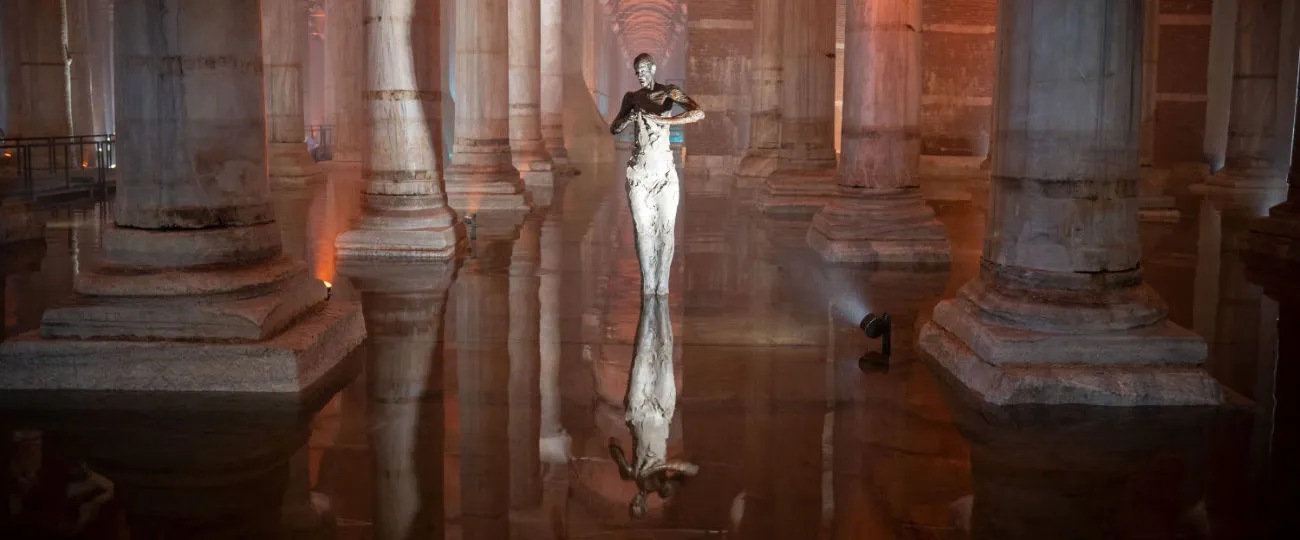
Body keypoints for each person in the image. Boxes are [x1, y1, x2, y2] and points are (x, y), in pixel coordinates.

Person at [609, 53, 705, 296]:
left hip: (664, 172)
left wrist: (667, 122)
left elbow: (698, 112)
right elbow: (614, 128)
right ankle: (648, 282)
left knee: (665, 229)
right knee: (642, 229)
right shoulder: (631, 98)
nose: (640, 74)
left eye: (643, 69)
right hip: (639, 172)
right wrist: (628, 117)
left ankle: (662, 283)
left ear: (653, 68)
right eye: (636, 71)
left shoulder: (668, 92)